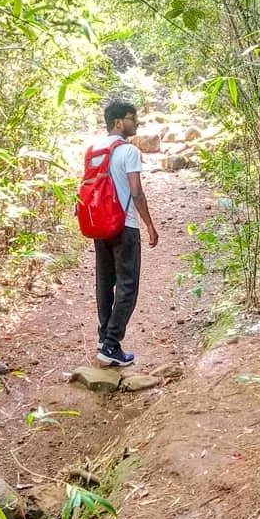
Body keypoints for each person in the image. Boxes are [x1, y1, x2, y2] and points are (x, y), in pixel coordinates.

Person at [90, 99, 159, 367]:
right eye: (133, 117)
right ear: (119, 122)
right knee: (128, 285)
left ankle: (103, 335)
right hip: (124, 224)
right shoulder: (128, 151)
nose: (137, 122)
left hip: (99, 224)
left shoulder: (94, 148)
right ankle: (111, 345)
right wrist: (149, 224)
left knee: (105, 281)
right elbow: (136, 192)